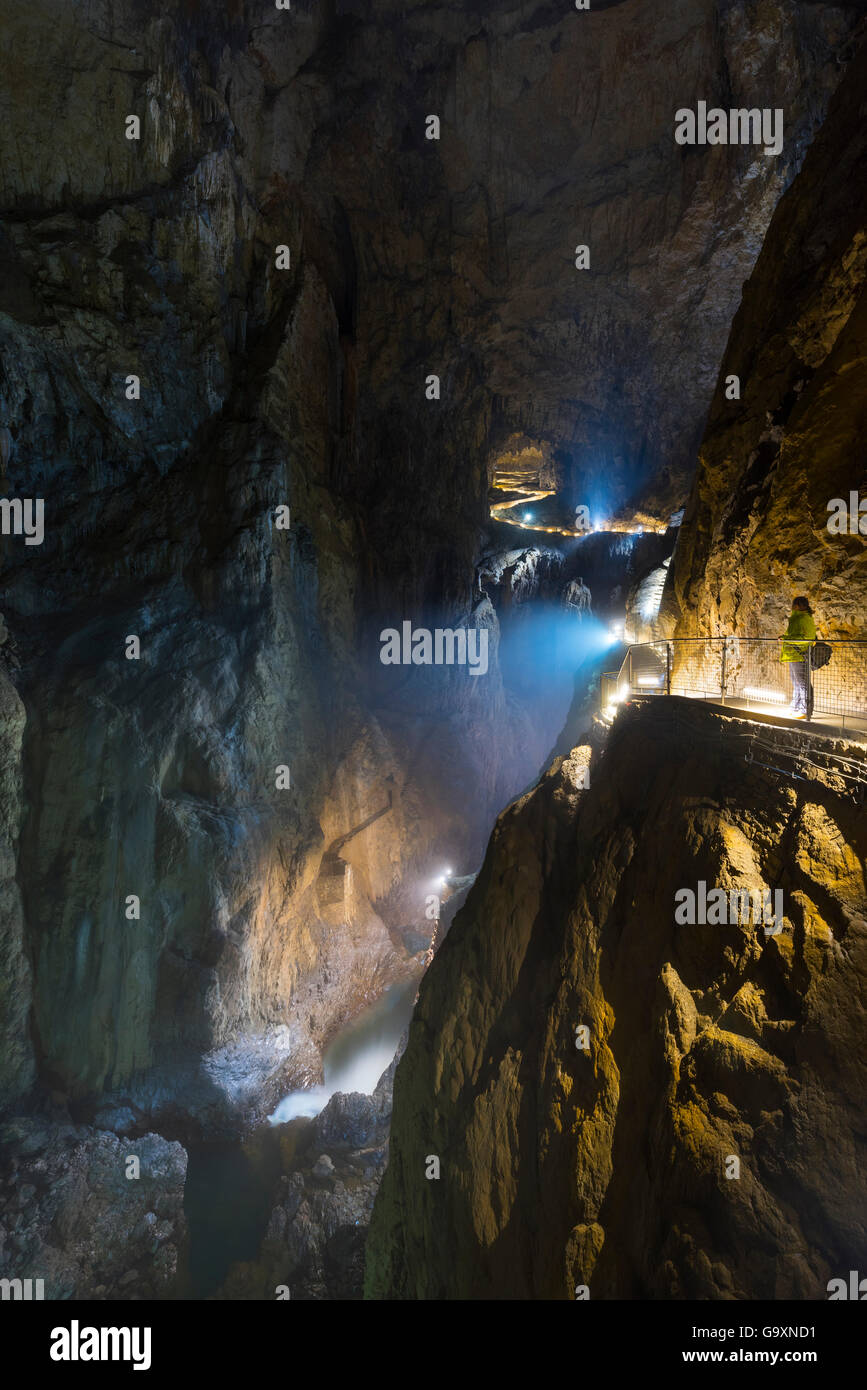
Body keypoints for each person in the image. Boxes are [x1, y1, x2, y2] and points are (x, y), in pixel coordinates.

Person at [780, 596, 817, 718]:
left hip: (799, 654)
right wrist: (785, 637)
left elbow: (806, 638)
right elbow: (793, 634)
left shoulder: (804, 618)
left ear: (798, 605)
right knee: (797, 682)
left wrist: (786, 639)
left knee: (802, 683)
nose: (792, 606)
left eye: (794, 604)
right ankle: (795, 706)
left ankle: (806, 710)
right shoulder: (797, 618)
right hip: (793, 654)